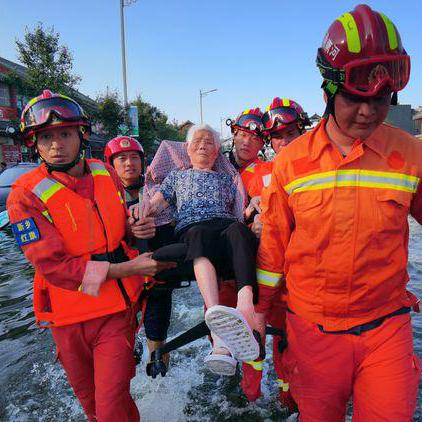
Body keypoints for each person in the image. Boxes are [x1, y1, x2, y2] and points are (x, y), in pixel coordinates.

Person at [255, 4, 421, 420]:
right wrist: (260, 314)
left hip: (387, 326)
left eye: (381, 99)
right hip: (313, 334)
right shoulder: (291, 162)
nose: (367, 112)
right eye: (354, 98)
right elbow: (273, 252)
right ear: (328, 90)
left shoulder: (411, 153)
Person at [7, 90, 175, 422]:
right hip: (68, 319)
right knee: (93, 405)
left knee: (111, 404)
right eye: (46, 137)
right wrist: (129, 266)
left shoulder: (105, 172)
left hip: (115, 310)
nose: (56, 144)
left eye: (65, 134)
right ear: (34, 143)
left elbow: (117, 230)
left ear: (81, 135)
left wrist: (134, 229)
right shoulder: (23, 196)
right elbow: (53, 267)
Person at [141, 124, 260, 375]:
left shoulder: (227, 179)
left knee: (240, 231)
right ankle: (218, 329)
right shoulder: (176, 176)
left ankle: (245, 307)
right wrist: (139, 212)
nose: (203, 146)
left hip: (226, 225)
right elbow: (156, 204)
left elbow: (239, 211)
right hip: (193, 227)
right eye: (197, 142)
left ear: (217, 151)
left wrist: (255, 207)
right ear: (187, 149)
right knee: (198, 234)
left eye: (208, 143)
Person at [240, 98, 310, 410]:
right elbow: (234, 213)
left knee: (287, 340)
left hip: (298, 275)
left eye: (290, 134)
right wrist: (252, 216)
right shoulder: (253, 171)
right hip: (260, 271)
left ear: (302, 133)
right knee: (252, 336)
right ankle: (249, 393)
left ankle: (287, 396)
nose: (283, 143)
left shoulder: (317, 171)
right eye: (277, 137)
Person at [104, 135, 173, 367]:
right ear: (111, 164)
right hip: (124, 276)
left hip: (155, 275)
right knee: (123, 342)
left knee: (157, 330)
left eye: (134, 157)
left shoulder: (157, 190)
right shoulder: (103, 196)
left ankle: (162, 373)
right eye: (122, 158)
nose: (129, 163)